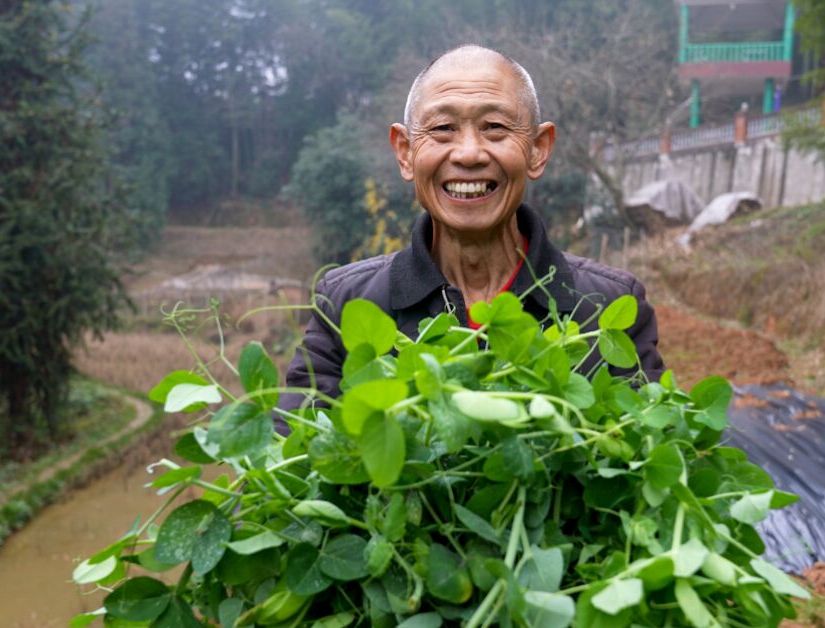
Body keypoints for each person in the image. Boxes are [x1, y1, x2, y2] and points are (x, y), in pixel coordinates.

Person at [278, 44, 665, 423]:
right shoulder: (347, 304)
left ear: (538, 150)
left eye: (494, 127)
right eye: (443, 128)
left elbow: (647, 441)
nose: (468, 153)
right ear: (404, 152)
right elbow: (294, 450)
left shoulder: (608, 307)